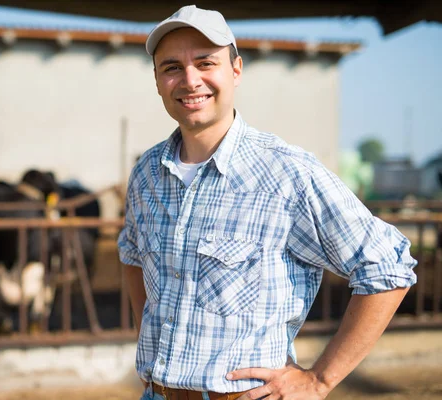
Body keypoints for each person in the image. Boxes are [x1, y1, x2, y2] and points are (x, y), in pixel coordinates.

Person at [118, 5, 418, 400]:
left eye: (206, 63)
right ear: (158, 81)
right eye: (172, 67)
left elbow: (388, 264)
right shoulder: (147, 173)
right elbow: (133, 255)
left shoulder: (286, 174)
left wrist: (320, 379)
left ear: (236, 70)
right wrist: (152, 344)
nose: (190, 80)